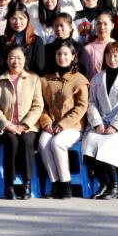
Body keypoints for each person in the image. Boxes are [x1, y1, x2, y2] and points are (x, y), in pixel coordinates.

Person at [83, 42, 118, 200]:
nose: (112, 59)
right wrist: (97, 123)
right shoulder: (97, 78)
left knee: (106, 146)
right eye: (108, 55)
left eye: (115, 55)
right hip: (101, 125)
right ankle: (104, 184)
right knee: (88, 144)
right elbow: (91, 102)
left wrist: (115, 125)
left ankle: (115, 187)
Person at [0, 45, 44, 200]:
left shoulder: (33, 79)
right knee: (11, 142)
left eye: (19, 58)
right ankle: (9, 185)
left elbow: (38, 105)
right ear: (7, 60)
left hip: (28, 126)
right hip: (6, 127)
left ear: (25, 59)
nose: (16, 62)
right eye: (12, 58)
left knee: (27, 141)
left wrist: (25, 124)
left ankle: (27, 183)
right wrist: (7, 125)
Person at [38, 41, 90, 199]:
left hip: (73, 127)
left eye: (66, 54)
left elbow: (81, 107)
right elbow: (41, 105)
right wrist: (46, 122)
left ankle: (66, 185)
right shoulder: (45, 80)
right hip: (51, 125)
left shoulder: (79, 79)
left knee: (57, 143)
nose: (62, 57)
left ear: (73, 57)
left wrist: (63, 125)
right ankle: (55, 184)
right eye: (59, 54)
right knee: (43, 143)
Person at [0, 3, 45, 76]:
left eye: (21, 18)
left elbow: (39, 68)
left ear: (27, 19)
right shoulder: (2, 40)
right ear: (9, 20)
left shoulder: (36, 41)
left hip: (30, 80)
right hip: (7, 80)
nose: (18, 22)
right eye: (14, 18)